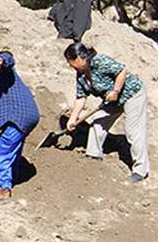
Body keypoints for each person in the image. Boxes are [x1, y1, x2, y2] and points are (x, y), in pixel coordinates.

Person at [63, 42, 149, 183]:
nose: (69, 65)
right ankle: (93, 155)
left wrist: (115, 90)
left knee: (133, 131)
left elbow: (121, 71)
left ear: (78, 58)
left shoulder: (99, 60)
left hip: (132, 94)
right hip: (112, 101)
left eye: (69, 61)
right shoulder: (81, 75)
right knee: (98, 121)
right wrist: (72, 118)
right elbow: (81, 97)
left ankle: (140, 171)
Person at [0, 48, 40, 200]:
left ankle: (3, 188)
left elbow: (9, 59)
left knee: (2, 150)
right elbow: (1, 107)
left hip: (18, 115)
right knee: (13, 149)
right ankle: (13, 177)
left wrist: (0, 59)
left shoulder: (3, 72)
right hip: (24, 115)